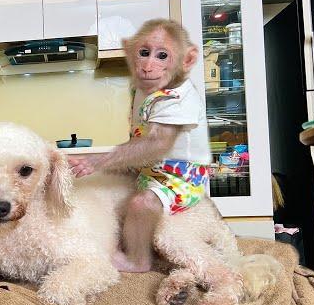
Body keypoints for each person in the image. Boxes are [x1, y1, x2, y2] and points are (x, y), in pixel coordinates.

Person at [68, 19, 212, 273]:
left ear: (186, 61)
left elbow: (157, 144)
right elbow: (138, 141)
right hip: (152, 168)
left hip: (181, 176)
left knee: (141, 203)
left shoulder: (178, 96)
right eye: (144, 54)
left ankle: (138, 260)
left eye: (162, 56)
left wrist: (97, 160)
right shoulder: (144, 92)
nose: (148, 66)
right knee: (106, 186)